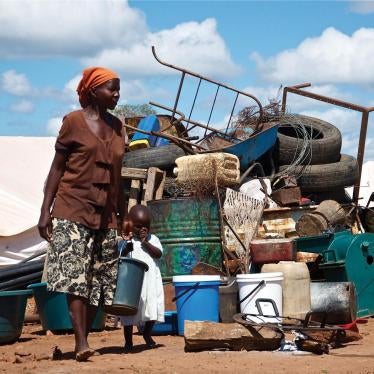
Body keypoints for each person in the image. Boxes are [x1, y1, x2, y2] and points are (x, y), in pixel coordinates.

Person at [38, 67, 126, 361]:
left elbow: (118, 175)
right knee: (75, 277)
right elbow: (57, 168)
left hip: (104, 213)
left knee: (98, 279)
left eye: (117, 89)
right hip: (72, 206)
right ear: (92, 91)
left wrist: (121, 212)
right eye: (110, 89)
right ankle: (80, 342)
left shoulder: (118, 127)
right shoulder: (73, 122)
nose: (116, 94)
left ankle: (83, 339)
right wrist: (45, 211)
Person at [120, 205, 164, 352]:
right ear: (131, 225)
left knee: (153, 307)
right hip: (133, 284)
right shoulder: (128, 241)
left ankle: (147, 333)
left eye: (146, 226)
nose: (143, 229)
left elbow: (158, 254)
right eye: (138, 226)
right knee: (129, 313)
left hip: (150, 282)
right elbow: (120, 255)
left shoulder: (153, 239)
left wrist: (146, 242)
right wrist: (127, 246)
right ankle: (128, 341)